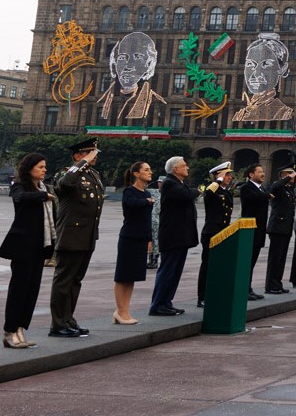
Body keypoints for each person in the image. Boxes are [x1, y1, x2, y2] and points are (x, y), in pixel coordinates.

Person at [50, 138, 104, 337]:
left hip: (87, 236)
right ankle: (57, 324)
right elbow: (65, 184)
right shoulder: (67, 173)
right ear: (77, 156)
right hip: (71, 235)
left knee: (75, 281)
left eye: (94, 153)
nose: (94, 156)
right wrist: (82, 164)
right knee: (63, 281)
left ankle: (68, 319)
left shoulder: (93, 175)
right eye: (89, 153)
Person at [0, 153, 52, 349]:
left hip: (39, 246)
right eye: (40, 167)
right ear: (29, 169)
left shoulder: (44, 188)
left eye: (45, 167)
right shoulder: (19, 186)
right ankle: (9, 330)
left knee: (32, 290)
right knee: (18, 290)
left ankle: (21, 328)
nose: (44, 170)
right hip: (22, 247)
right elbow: (20, 198)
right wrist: (42, 196)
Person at [150, 156, 198, 316]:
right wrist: (200, 190)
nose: (187, 168)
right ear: (175, 169)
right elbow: (188, 195)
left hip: (180, 236)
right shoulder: (169, 183)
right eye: (184, 165)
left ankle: (167, 302)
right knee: (168, 270)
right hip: (172, 236)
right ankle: (157, 304)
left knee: (175, 272)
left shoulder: (180, 183)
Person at [114, 161, 155, 324]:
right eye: (146, 170)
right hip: (129, 237)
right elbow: (132, 204)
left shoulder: (146, 193)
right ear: (136, 174)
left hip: (141, 237)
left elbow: (147, 219)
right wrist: (147, 202)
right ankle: (120, 311)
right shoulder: (129, 191)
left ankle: (125, 309)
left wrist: (150, 238)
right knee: (122, 275)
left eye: (150, 169)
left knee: (132, 276)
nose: (150, 172)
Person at [239, 164, 280, 300]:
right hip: (249, 231)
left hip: (259, 231)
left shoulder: (261, 188)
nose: (263, 174)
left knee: (252, 261)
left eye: (263, 171)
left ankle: (248, 288)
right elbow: (255, 197)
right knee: (247, 262)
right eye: (260, 172)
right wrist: (267, 195)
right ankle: (243, 289)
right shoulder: (246, 187)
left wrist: (266, 194)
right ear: (251, 175)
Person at [232, 32, 295, 121]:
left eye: (266, 65)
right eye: (250, 64)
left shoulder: (283, 112)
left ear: (282, 69)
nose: (256, 74)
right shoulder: (241, 113)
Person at [197, 162, 235, 307]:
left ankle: (215, 294)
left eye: (229, 175)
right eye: (226, 175)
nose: (229, 177)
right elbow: (207, 193)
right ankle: (202, 297)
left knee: (219, 266)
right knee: (207, 266)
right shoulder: (212, 190)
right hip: (212, 232)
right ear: (218, 175)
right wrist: (217, 181)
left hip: (223, 232)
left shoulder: (226, 192)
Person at [263, 167, 296, 294]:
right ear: (283, 176)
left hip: (285, 228)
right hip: (277, 227)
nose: (292, 177)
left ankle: (277, 283)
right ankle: (270, 285)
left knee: (281, 258)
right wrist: (287, 177)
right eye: (289, 175)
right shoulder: (277, 187)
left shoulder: (288, 189)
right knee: (275, 258)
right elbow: (276, 187)